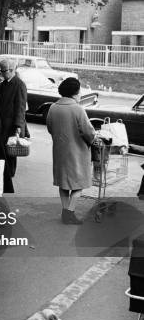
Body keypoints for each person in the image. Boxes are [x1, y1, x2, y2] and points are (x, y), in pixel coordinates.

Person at [46, 78, 97, 225]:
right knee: (78, 184)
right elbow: (89, 132)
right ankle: (69, 213)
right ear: (75, 93)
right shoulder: (77, 108)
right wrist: (92, 140)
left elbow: (50, 127)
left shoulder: (53, 107)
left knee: (63, 183)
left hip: (60, 150)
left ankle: (65, 211)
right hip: (77, 153)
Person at [0, 59, 28, 194]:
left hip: (11, 123)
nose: (2, 74)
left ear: (11, 70)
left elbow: (20, 106)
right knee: (5, 149)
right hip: (2, 122)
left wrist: (18, 126)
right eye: (1, 71)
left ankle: (10, 173)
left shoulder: (19, 84)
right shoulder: (4, 84)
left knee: (11, 149)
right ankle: (6, 173)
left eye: (4, 71)